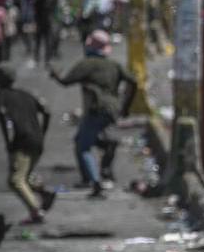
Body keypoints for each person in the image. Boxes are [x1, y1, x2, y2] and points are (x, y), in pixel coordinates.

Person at [48, 30, 138, 198]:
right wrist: (126, 106)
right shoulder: (114, 65)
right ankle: (102, 162)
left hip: (96, 109)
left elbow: (65, 81)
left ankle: (95, 182)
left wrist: (55, 74)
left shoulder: (86, 64)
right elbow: (133, 81)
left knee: (83, 147)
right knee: (83, 138)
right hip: (113, 109)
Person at [0, 66, 56, 223]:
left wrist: (9, 141)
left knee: (15, 180)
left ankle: (36, 211)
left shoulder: (0, 97)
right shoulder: (26, 94)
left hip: (21, 141)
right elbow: (47, 111)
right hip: (37, 140)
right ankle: (44, 193)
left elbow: (3, 117)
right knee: (24, 176)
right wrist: (43, 132)